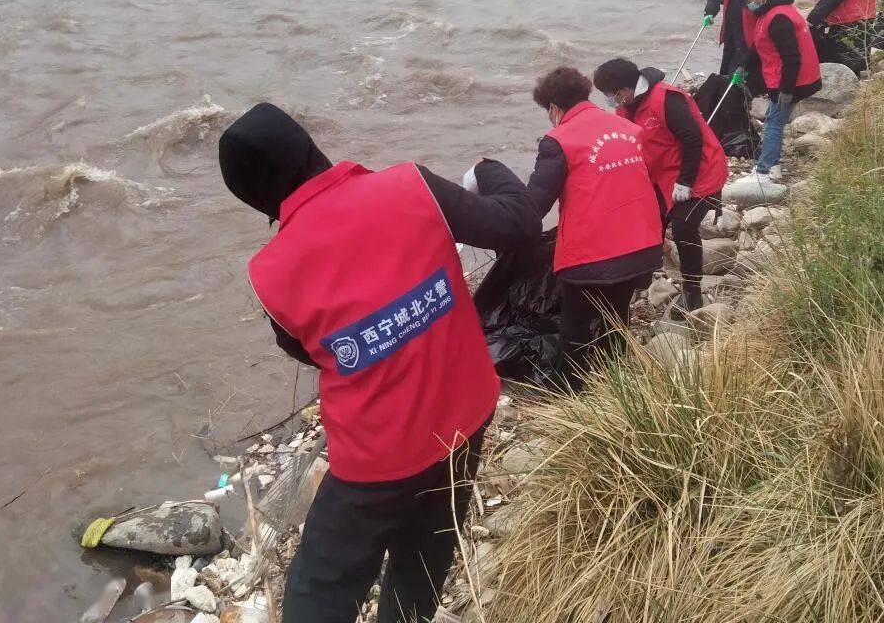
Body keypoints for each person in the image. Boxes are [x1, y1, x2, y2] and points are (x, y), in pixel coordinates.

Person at [218, 103, 541, 623]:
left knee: (319, 591)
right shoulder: (412, 186)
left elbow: (306, 349)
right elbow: (520, 222)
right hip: (464, 417)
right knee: (426, 554)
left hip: (373, 458)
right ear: (310, 147)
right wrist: (488, 169)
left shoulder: (270, 272)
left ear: (257, 199)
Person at [527, 67, 664, 390]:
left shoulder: (558, 141)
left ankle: (571, 387)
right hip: (642, 246)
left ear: (553, 108)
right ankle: (615, 379)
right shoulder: (629, 128)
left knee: (575, 320)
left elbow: (534, 205)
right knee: (617, 311)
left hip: (592, 255)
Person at [592, 59, 728, 316]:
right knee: (646, 221)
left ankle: (692, 293)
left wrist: (685, 181)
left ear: (625, 89)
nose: (610, 99)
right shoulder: (626, 107)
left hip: (700, 171)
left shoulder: (666, 99)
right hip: (663, 175)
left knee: (684, 227)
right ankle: (641, 277)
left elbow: (692, 138)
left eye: (611, 93)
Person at [740, 0, 822, 184]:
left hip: (792, 80)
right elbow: (759, 45)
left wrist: (786, 89)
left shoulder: (779, 19)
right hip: (787, 77)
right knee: (773, 119)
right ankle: (773, 165)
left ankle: (764, 171)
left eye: (750, 0)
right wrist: (743, 66)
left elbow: (791, 57)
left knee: (773, 123)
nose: (749, 5)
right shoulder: (773, 13)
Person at [704, 0, 769, 76]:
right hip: (731, 34)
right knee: (728, 69)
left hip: (750, 38)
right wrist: (710, 12)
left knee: (747, 69)